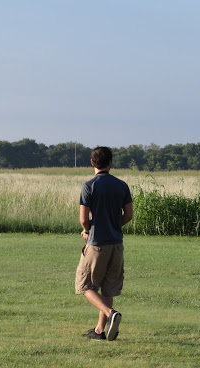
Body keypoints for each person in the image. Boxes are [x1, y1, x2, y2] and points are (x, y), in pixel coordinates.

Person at [75, 146, 133, 341]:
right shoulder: (122, 186)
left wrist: (87, 230)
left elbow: (84, 220)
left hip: (96, 244)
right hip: (116, 244)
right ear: (110, 163)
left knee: (84, 285)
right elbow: (129, 215)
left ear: (92, 163)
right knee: (108, 287)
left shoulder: (88, 186)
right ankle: (100, 331)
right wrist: (114, 226)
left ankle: (110, 314)